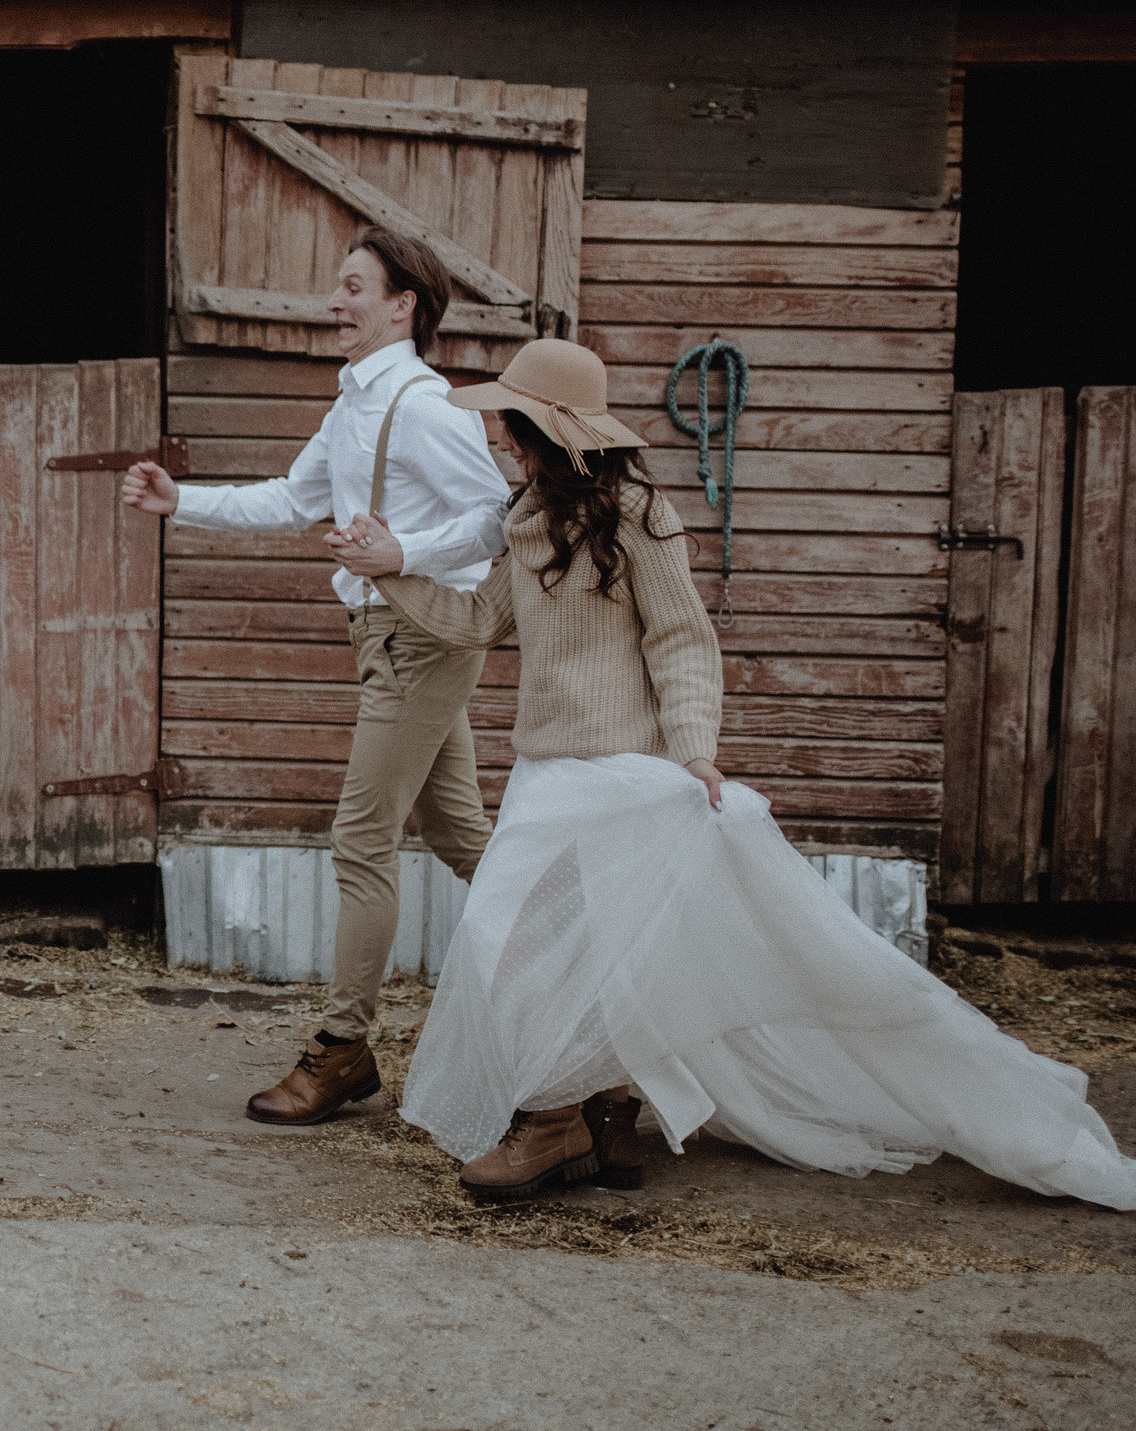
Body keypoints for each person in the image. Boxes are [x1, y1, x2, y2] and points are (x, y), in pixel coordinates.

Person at [329, 338, 1136, 1209]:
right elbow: (476, 622)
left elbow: (680, 639)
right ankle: (598, 1109)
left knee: (513, 940)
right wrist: (391, 570)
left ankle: (557, 1118)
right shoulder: (526, 522)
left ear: (547, 434)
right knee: (532, 945)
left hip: (623, 775)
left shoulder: (641, 517)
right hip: (544, 775)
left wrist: (694, 749)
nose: (495, 439)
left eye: (506, 425)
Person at [123, 227, 513, 1127]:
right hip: (387, 637)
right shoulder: (355, 403)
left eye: (351, 287)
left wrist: (400, 550)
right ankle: (574, 963)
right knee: (462, 838)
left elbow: (495, 517)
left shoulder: (424, 404)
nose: (333, 303)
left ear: (401, 304)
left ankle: (341, 1049)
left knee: (361, 839)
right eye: (337, 288)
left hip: (420, 641)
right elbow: (292, 498)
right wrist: (182, 501)